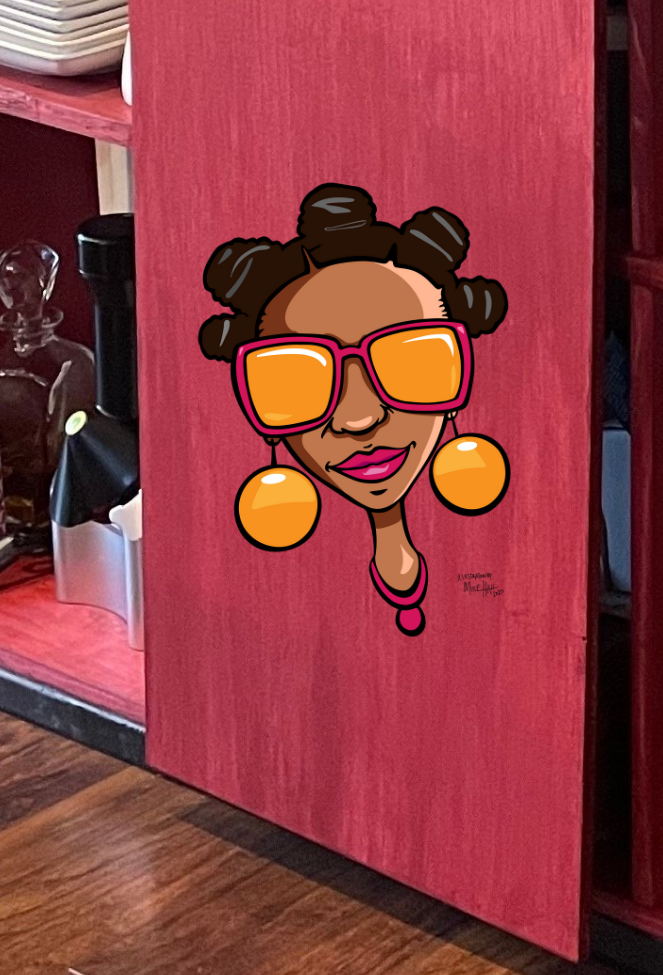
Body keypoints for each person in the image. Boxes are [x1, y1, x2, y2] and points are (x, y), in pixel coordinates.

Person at [198, 182, 509, 635]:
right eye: (299, 378)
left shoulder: (502, 554)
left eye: (411, 361)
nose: (359, 419)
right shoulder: (248, 589)